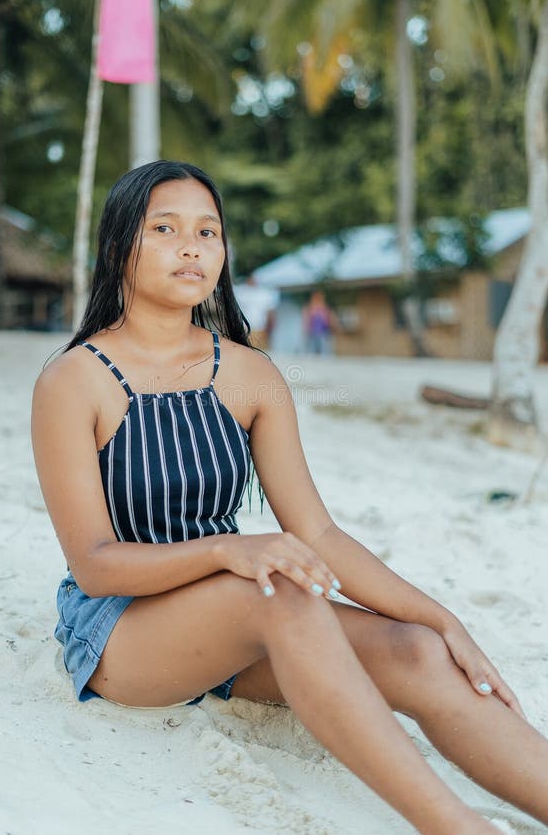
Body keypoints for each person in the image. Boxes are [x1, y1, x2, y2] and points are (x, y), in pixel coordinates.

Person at [32, 160, 548, 835]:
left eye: (208, 232)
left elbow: (320, 535)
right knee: (281, 586)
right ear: (116, 248)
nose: (192, 247)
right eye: (165, 228)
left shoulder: (251, 375)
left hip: (246, 615)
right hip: (124, 631)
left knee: (417, 652)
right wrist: (230, 548)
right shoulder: (74, 381)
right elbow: (97, 563)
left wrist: (443, 620)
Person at [233, 274, 279, 350]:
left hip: (259, 328)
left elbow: (270, 313)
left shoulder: (263, 293)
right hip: (246, 328)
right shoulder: (242, 292)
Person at [302, 289, 339, 354]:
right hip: (313, 334)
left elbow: (331, 319)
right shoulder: (310, 308)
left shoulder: (325, 308)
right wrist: (306, 330)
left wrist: (334, 328)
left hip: (324, 333)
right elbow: (306, 320)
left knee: (325, 352)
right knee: (312, 352)